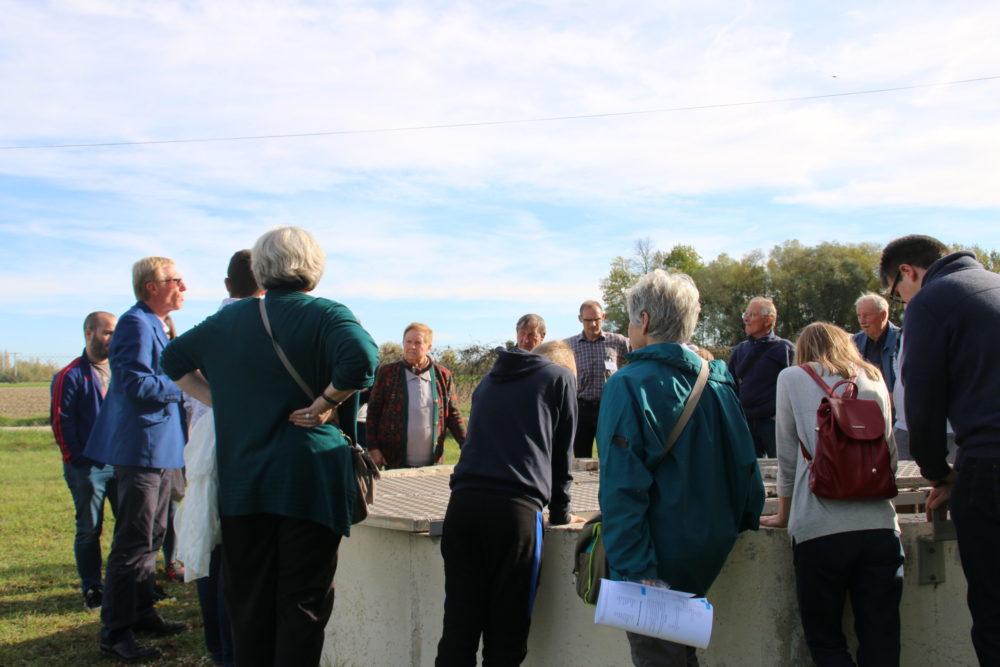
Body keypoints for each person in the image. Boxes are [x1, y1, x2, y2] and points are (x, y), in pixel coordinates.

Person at [161, 226, 378, 666]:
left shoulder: (229, 319)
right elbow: (363, 360)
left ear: (261, 269)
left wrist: (222, 401)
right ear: (314, 267)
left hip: (244, 484)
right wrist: (323, 403)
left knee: (248, 604)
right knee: (302, 604)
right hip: (309, 481)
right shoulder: (328, 315)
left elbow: (172, 360)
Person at [597, 270, 764, 667]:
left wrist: (636, 572)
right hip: (706, 552)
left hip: (653, 561)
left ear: (646, 321)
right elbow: (748, 477)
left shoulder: (628, 383)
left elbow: (622, 486)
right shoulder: (719, 383)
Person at [879, 234, 1000, 664]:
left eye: (897, 292)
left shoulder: (932, 302)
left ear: (907, 273)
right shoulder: (993, 285)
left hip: (988, 464)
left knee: (992, 611)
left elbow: (922, 403)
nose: (903, 301)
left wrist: (938, 473)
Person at [760, 322, 902, 666]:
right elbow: (891, 455)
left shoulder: (791, 378)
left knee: (826, 640)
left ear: (803, 350)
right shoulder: (873, 376)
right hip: (881, 526)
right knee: (882, 638)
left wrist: (784, 513)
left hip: (819, 528)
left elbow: (788, 457)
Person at [436, 340, 579, 666]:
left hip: (462, 504)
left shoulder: (490, 379)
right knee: (507, 631)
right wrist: (561, 512)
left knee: (459, 625)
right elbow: (563, 453)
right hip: (515, 511)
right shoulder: (560, 378)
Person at [83, 257, 190, 663]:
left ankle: (142, 612)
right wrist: (183, 384)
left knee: (154, 536)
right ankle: (116, 632)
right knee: (133, 542)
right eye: (176, 280)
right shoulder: (134, 323)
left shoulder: (156, 324)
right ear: (151, 286)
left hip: (161, 448)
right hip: (142, 449)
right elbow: (133, 381)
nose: (184, 286)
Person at [183, 249, 261, 667]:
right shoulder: (252, 324)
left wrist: (209, 400)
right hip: (233, 445)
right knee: (234, 551)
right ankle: (231, 648)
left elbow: (175, 366)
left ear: (227, 285)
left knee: (208, 542)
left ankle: (218, 647)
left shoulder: (211, 324)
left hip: (203, 441)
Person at [50, 311, 118, 610]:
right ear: (89, 334)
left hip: (121, 463)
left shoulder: (121, 370)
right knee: (90, 528)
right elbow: (61, 421)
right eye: (107, 332)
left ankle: (127, 584)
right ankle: (93, 588)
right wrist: (77, 460)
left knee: (129, 527)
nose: (113, 338)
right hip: (88, 467)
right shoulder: (70, 375)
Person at [366, 322, 466, 469]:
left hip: (433, 463)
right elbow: (373, 413)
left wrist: (468, 447)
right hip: (394, 461)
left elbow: (453, 415)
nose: (411, 347)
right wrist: (373, 449)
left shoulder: (442, 376)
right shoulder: (387, 373)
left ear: (428, 347)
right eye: (408, 342)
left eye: (418, 343)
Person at [728, 296, 794, 458]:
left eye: (752, 315)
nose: (746, 319)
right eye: (746, 314)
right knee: (747, 472)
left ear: (768, 320)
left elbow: (795, 386)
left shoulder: (784, 349)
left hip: (774, 424)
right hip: (746, 423)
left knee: (781, 469)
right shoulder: (739, 350)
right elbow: (730, 385)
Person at [564, 300, 630, 458]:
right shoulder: (569, 345)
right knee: (581, 456)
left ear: (603, 317)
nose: (593, 324)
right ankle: (582, 483)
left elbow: (640, 356)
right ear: (580, 319)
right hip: (581, 407)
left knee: (610, 454)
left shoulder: (618, 341)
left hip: (609, 406)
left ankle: (609, 482)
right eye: (588, 320)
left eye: (597, 319)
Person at [851, 292, 901, 393]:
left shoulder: (901, 339)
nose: (862, 321)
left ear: (883, 315)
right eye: (859, 316)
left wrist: (895, 396)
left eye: (867, 315)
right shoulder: (854, 342)